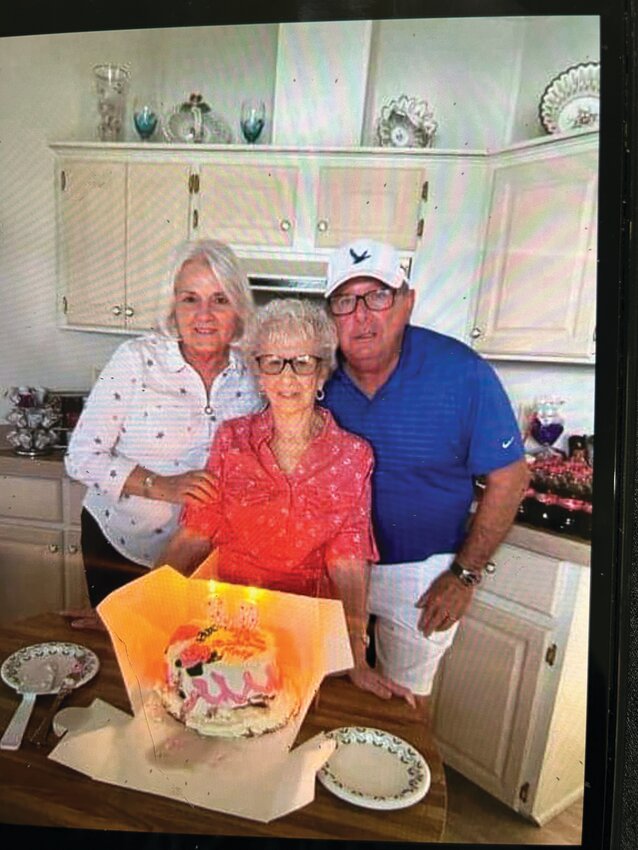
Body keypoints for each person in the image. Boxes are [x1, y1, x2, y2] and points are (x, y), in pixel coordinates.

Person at [158, 298, 415, 705]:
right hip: (229, 622)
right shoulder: (231, 440)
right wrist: (135, 607)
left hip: (307, 628)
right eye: (273, 362)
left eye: (302, 362)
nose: (288, 377)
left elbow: (348, 559)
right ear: (258, 374)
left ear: (323, 372)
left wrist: (355, 654)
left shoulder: (353, 455)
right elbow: (196, 532)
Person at [321, 238, 530, 713]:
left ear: (406, 301)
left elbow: (510, 480)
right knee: (327, 692)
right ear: (329, 315)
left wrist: (464, 574)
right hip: (329, 567)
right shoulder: (311, 372)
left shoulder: (462, 373)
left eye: (378, 296)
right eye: (344, 301)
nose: (362, 315)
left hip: (421, 574)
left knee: (404, 704)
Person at [64, 238, 262, 620]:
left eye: (220, 299)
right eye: (190, 298)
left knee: (182, 655)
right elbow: (81, 457)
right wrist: (164, 485)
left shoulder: (252, 373)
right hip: (120, 547)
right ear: (173, 306)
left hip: (201, 557)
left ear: (238, 308)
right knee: (123, 653)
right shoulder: (137, 360)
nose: (204, 314)